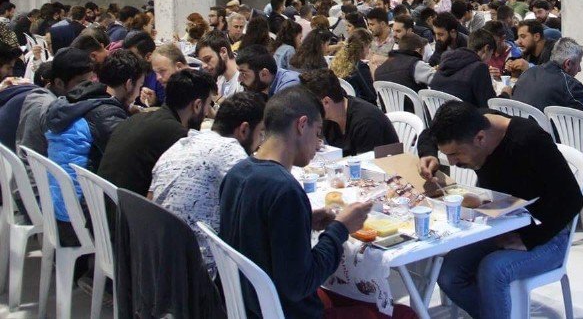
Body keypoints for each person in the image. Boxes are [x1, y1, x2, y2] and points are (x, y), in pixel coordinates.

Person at [218, 87, 380, 319]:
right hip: (284, 310)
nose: (318, 144)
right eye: (317, 133)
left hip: (248, 305)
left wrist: (304, 221)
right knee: (400, 312)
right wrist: (340, 229)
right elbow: (300, 283)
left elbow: (253, 233)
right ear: (301, 125)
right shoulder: (284, 190)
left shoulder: (237, 173)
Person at [416, 101, 583, 319]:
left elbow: (572, 199)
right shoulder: (472, 121)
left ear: (480, 138)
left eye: (456, 153)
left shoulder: (529, 140)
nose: (452, 162)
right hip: (503, 222)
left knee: (492, 270)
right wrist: (428, 153)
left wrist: (529, 239)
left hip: (549, 232)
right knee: (449, 274)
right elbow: (429, 133)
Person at [150, 91, 266, 277]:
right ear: (244, 130)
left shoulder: (185, 141)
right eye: (261, 134)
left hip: (155, 253)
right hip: (198, 271)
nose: (261, 143)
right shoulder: (230, 150)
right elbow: (261, 205)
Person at [44, 49, 147, 233]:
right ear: (129, 84)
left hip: (57, 205)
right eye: (139, 87)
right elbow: (130, 156)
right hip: (80, 218)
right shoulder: (105, 113)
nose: (138, 93)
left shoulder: (78, 101)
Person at [98, 69, 215, 195]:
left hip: (101, 206)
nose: (208, 112)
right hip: (128, 211)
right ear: (197, 105)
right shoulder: (178, 136)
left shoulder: (137, 119)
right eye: (208, 104)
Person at [300, 69, 399, 156]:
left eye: (310, 105)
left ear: (326, 102)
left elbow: (366, 167)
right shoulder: (328, 118)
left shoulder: (366, 121)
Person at [429, 29, 496, 108]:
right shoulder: (479, 68)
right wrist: (505, 93)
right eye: (491, 54)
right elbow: (489, 104)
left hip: (438, 115)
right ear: (486, 49)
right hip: (464, 117)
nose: (489, 59)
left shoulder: (446, 60)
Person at [331, 30, 377, 105]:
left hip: (343, 104)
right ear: (363, 46)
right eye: (369, 47)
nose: (369, 51)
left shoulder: (337, 62)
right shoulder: (360, 67)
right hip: (361, 106)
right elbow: (372, 96)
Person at [236, 44, 301, 98]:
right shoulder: (267, 85)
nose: (239, 79)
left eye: (243, 73)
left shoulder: (289, 88)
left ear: (264, 73)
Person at [196, 31, 242, 102]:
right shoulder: (220, 78)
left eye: (207, 59)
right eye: (202, 62)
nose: (204, 66)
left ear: (223, 52)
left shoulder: (242, 83)